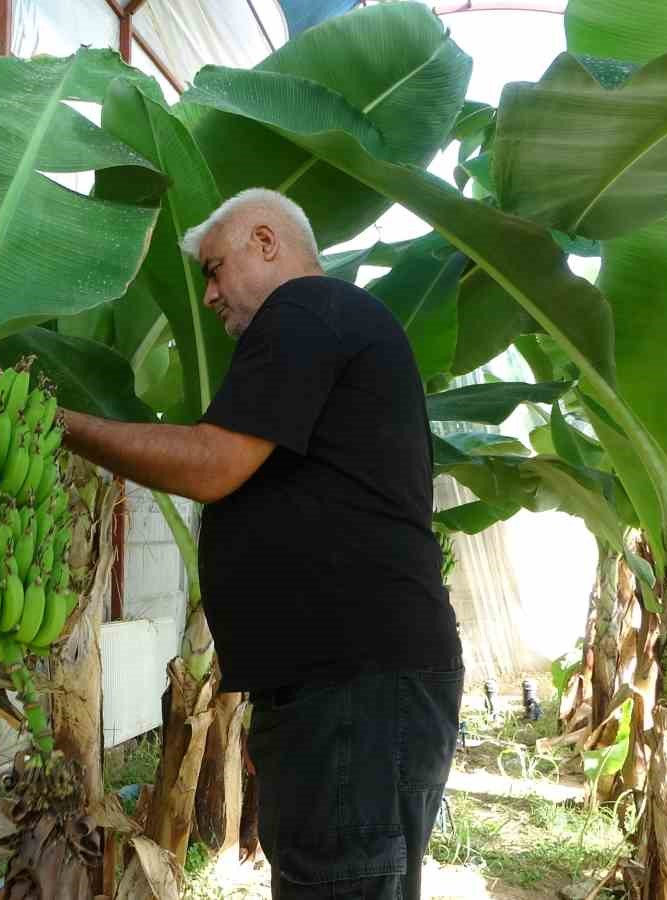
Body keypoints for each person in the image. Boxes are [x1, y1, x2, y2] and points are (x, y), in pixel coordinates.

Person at [59, 187, 463, 899]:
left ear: (267, 242)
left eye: (215, 269)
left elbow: (213, 463)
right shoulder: (332, 325)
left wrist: (63, 424)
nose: (210, 295)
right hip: (343, 689)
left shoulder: (306, 309)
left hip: (355, 689)